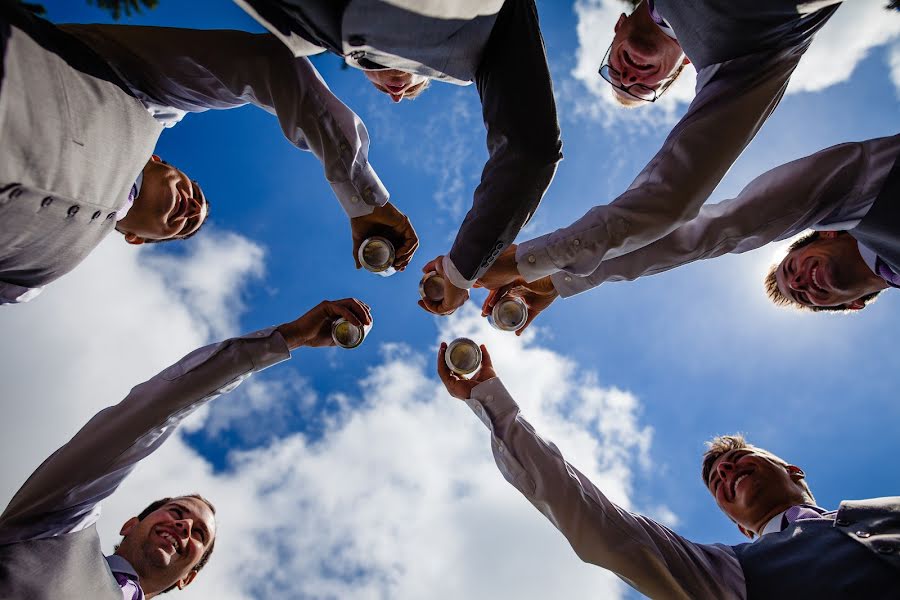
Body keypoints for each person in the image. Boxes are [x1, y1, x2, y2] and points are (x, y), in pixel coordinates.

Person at [0, 3, 412, 304]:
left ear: (136, 239)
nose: (193, 210)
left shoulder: (33, 281)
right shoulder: (146, 97)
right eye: (196, 192)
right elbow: (268, 66)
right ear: (159, 160)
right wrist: (363, 200)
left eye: (184, 228)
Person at [437, 343, 900, 599]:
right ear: (739, 525)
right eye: (717, 480)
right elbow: (601, 525)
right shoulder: (727, 575)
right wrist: (493, 403)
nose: (726, 473)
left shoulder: (885, 510)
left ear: (793, 470)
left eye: (738, 460)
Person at [476, 0, 844, 311]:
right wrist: (550, 274)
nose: (629, 77)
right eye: (638, 87)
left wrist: (529, 262)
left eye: (618, 76)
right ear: (683, 66)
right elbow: (669, 202)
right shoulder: (746, 62)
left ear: (618, 27)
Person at [0, 298, 372, 599]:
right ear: (130, 525)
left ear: (188, 579)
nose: (183, 526)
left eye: (198, 535)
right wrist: (290, 337)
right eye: (177, 512)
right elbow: (151, 413)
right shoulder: (54, 528)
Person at [234, 0, 563, 315]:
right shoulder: (485, 31)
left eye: (396, 89)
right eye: (386, 87)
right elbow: (530, 149)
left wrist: (460, 270)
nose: (394, 89)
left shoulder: (304, 32)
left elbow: (530, 151)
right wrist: (460, 272)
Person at [480, 134, 900, 329]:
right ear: (852, 306)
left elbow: (712, 231)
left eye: (792, 270)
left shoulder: (857, 190)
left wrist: (552, 272)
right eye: (803, 294)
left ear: (825, 234)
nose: (802, 283)